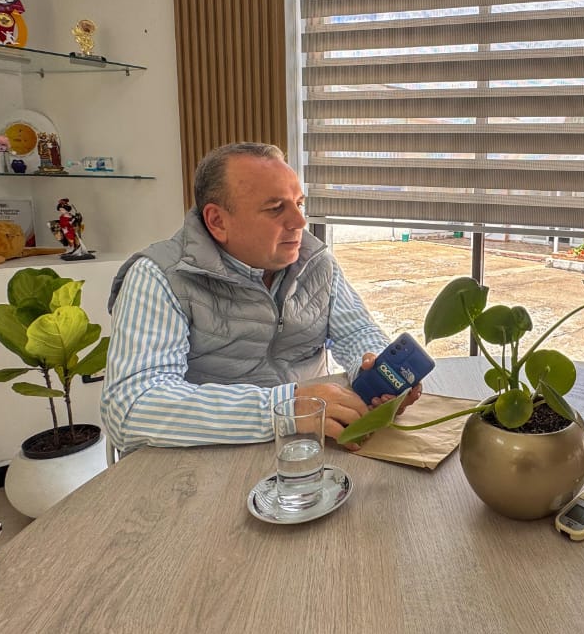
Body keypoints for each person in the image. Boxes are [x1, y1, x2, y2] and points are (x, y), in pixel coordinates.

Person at [102, 142, 419, 454]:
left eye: (299, 203)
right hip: (206, 458)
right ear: (218, 221)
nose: (300, 222)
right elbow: (132, 406)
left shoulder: (316, 261)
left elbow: (357, 332)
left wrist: (373, 370)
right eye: (276, 208)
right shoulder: (159, 276)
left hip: (313, 446)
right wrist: (287, 409)